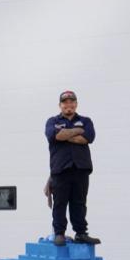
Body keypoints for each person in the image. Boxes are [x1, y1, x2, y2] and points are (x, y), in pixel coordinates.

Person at [44, 91, 100, 246]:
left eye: (71, 102)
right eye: (65, 102)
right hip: (60, 169)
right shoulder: (52, 121)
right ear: (60, 105)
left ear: (76, 104)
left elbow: (89, 137)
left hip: (81, 168)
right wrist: (77, 131)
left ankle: (81, 233)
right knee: (60, 203)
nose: (68, 105)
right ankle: (59, 233)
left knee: (79, 203)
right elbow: (55, 136)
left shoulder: (86, 121)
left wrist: (65, 135)